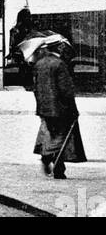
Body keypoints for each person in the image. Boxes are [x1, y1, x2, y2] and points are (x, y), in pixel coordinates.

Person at [31, 42, 86, 179]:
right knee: (62, 136)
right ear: (58, 49)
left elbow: (35, 87)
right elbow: (66, 90)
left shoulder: (39, 63)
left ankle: (59, 169)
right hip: (60, 108)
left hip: (44, 108)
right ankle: (48, 156)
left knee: (51, 135)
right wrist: (73, 109)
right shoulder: (60, 64)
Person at [8, 8, 45, 90]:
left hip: (27, 49)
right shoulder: (18, 29)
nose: (29, 18)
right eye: (28, 16)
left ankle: (28, 83)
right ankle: (27, 83)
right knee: (25, 67)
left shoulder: (27, 27)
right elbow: (14, 41)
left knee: (27, 67)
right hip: (23, 50)